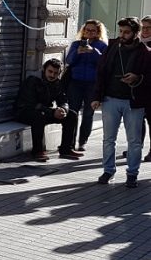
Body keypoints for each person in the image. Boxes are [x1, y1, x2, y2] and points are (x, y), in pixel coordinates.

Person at [92, 17, 150, 187]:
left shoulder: (145, 52)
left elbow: (149, 77)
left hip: (134, 102)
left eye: (126, 32)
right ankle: (108, 170)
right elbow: (101, 73)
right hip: (111, 99)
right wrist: (96, 97)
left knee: (134, 141)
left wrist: (137, 78)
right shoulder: (112, 47)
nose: (122, 35)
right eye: (121, 31)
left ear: (135, 33)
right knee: (108, 139)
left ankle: (132, 173)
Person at [16, 58, 82, 162]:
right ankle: (37, 151)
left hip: (45, 111)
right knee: (38, 116)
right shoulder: (33, 80)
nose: (52, 75)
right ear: (44, 69)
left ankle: (66, 149)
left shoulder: (58, 83)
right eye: (50, 71)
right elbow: (31, 104)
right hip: (24, 111)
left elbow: (63, 99)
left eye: (56, 73)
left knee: (72, 115)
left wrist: (63, 109)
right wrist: (52, 112)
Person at [65, 19, 108, 151]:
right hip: (75, 82)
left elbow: (104, 64)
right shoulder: (76, 44)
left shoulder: (102, 46)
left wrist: (93, 51)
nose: (89, 33)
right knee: (73, 112)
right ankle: (69, 143)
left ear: (98, 32)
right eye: (87, 30)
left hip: (92, 84)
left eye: (92, 30)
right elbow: (69, 61)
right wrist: (77, 52)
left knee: (88, 114)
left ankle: (82, 141)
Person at [140, 15, 151, 162]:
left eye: (149, 27)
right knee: (137, 120)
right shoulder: (136, 43)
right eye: (143, 27)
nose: (145, 30)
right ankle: (136, 147)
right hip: (137, 88)